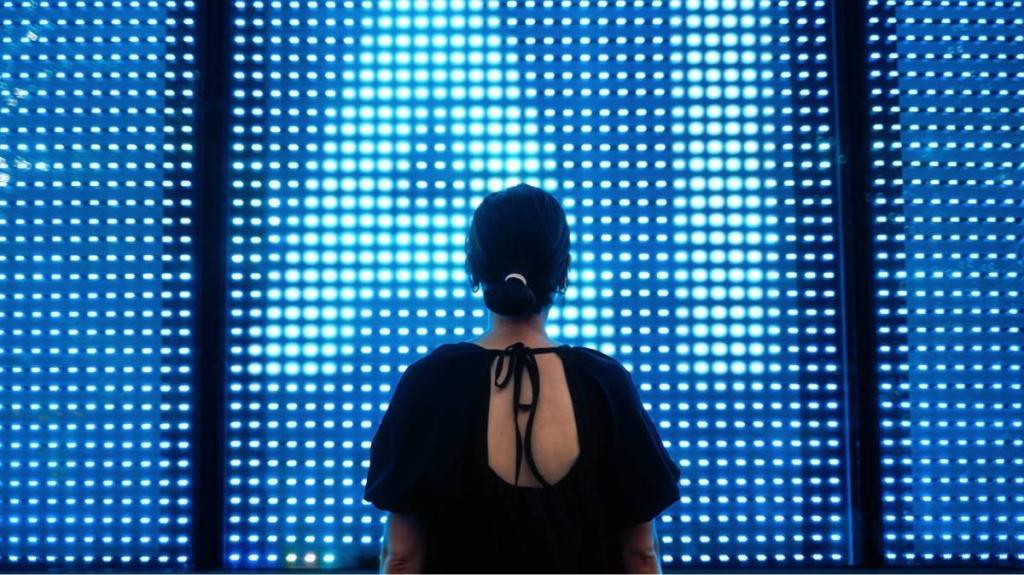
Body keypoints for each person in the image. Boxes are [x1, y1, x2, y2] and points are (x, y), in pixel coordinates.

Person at [364, 183, 681, 573]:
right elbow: (642, 554)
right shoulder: (605, 382)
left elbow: (400, 556)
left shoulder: (430, 381)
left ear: (473, 270)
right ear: (563, 273)